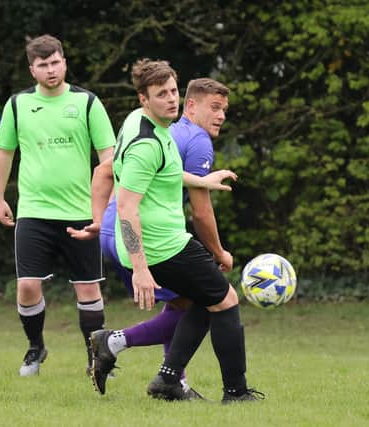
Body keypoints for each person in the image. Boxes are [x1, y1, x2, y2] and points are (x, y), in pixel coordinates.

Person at [69, 78, 236, 397]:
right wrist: (219, 251)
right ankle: (116, 345)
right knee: (204, 302)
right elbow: (200, 212)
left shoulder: (149, 125)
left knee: (185, 303)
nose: (220, 116)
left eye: (224, 110)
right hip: (139, 235)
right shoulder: (197, 140)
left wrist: (98, 221)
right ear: (191, 105)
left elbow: (103, 172)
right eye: (214, 108)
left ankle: (172, 382)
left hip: (114, 230)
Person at [111, 59, 262, 402]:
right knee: (226, 301)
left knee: (203, 300)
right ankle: (236, 393)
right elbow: (126, 206)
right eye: (160, 94)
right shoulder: (147, 143)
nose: (170, 99)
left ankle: (167, 380)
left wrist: (202, 180)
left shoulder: (145, 124)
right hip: (163, 246)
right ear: (143, 99)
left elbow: (162, 173)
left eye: (173, 91)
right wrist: (140, 268)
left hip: (161, 242)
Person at [0, 35, 116, 376]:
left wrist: (105, 208)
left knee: (88, 288)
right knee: (28, 285)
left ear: (64, 62)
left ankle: (95, 356)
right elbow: (4, 152)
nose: (50, 69)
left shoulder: (88, 103)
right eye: (43, 65)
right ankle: (36, 347)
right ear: (32, 69)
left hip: (81, 212)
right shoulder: (17, 105)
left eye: (55, 62)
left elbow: (109, 157)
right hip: (34, 211)